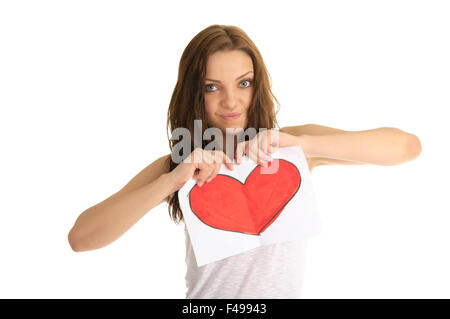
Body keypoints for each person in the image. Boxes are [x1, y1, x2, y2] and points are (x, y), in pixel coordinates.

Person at [67, 24, 422, 299]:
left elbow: (406, 147)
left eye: (244, 83)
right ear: (194, 93)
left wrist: (302, 143)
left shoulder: (291, 149)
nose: (230, 101)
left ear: (258, 84)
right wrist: (171, 181)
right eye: (212, 87)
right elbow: (81, 238)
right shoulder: (179, 164)